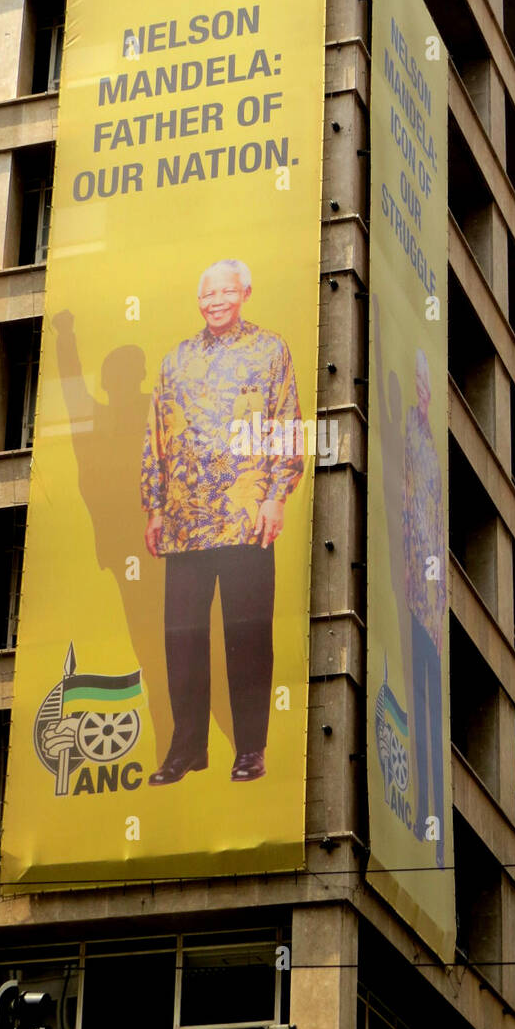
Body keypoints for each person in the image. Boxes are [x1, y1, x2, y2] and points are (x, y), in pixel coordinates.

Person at [142, 259, 304, 783]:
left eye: (224, 292)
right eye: (206, 294)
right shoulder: (176, 361)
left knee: (248, 637)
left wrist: (277, 497)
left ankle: (249, 749)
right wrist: (155, 508)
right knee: (182, 639)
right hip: (186, 523)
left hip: (246, 520)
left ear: (246, 293)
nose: (214, 301)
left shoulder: (270, 351)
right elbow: (157, 438)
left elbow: (288, 427)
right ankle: (187, 746)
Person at [402, 347, 447, 866]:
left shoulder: (431, 444)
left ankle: (432, 832)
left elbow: (431, 522)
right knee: (418, 723)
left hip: (431, 611)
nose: (421, 389)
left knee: (431, 726)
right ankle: (420, 821)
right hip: (414, 601)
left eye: (424, 380)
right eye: (416, 380)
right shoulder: (411, 437)